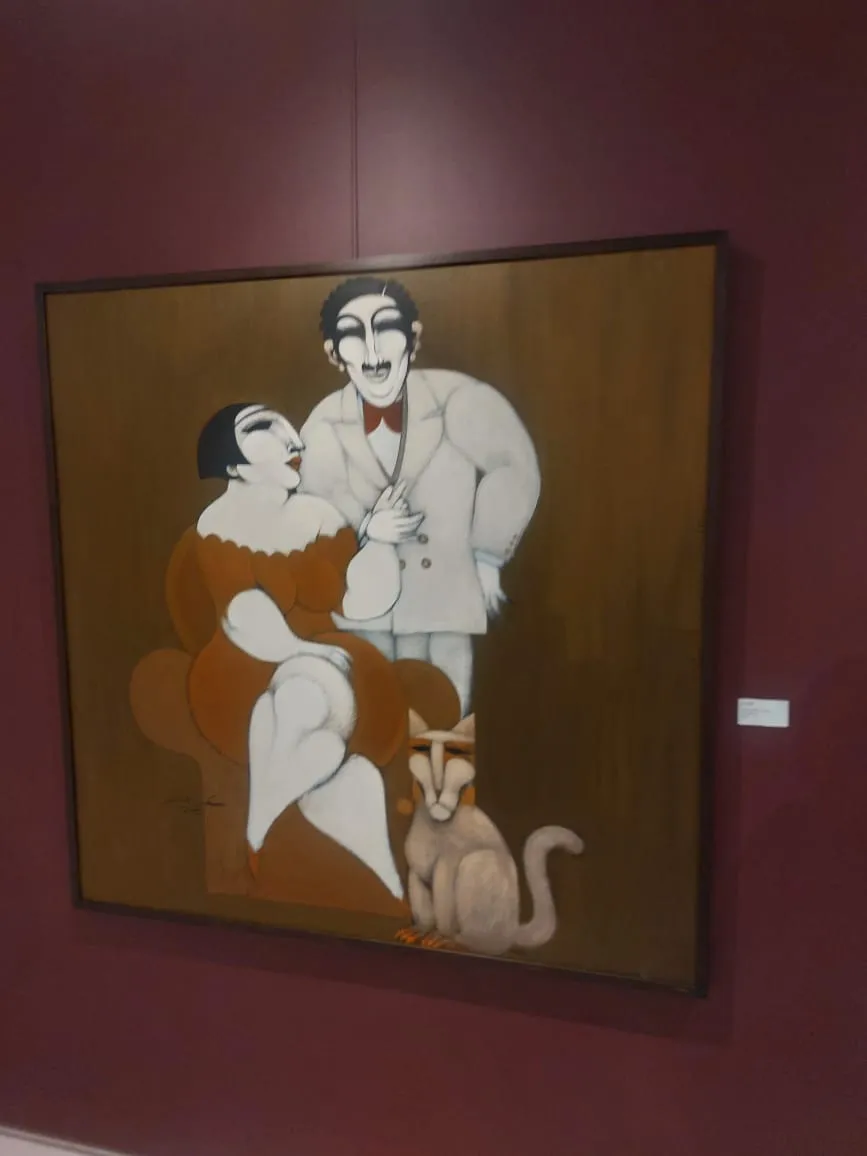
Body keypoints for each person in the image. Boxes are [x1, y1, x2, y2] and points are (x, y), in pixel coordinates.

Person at [178, 402, 427, 899]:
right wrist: (299, 652)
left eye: (291, 430)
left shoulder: (320, 517)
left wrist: (377, 543)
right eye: (265, 427)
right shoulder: (216, 524)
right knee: (304, 696)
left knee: (340, 757)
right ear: (232, 464)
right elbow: (243, 610)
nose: (295, 441)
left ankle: (263, 830)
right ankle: (267, 829)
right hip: (244, 662)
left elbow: (358, 603)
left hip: (330, 659)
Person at [299, 277, 541, 714]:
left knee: (444, 727)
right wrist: (366, 532)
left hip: (444, 602)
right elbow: (313, 514)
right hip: (365, 610)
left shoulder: (459, 398)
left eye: (385, 327)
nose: (372, 348)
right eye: (353, 333)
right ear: (334, 353)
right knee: (374, 723)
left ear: (413, 337)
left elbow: (514, 465)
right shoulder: (322, 424)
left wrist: (487, 556)